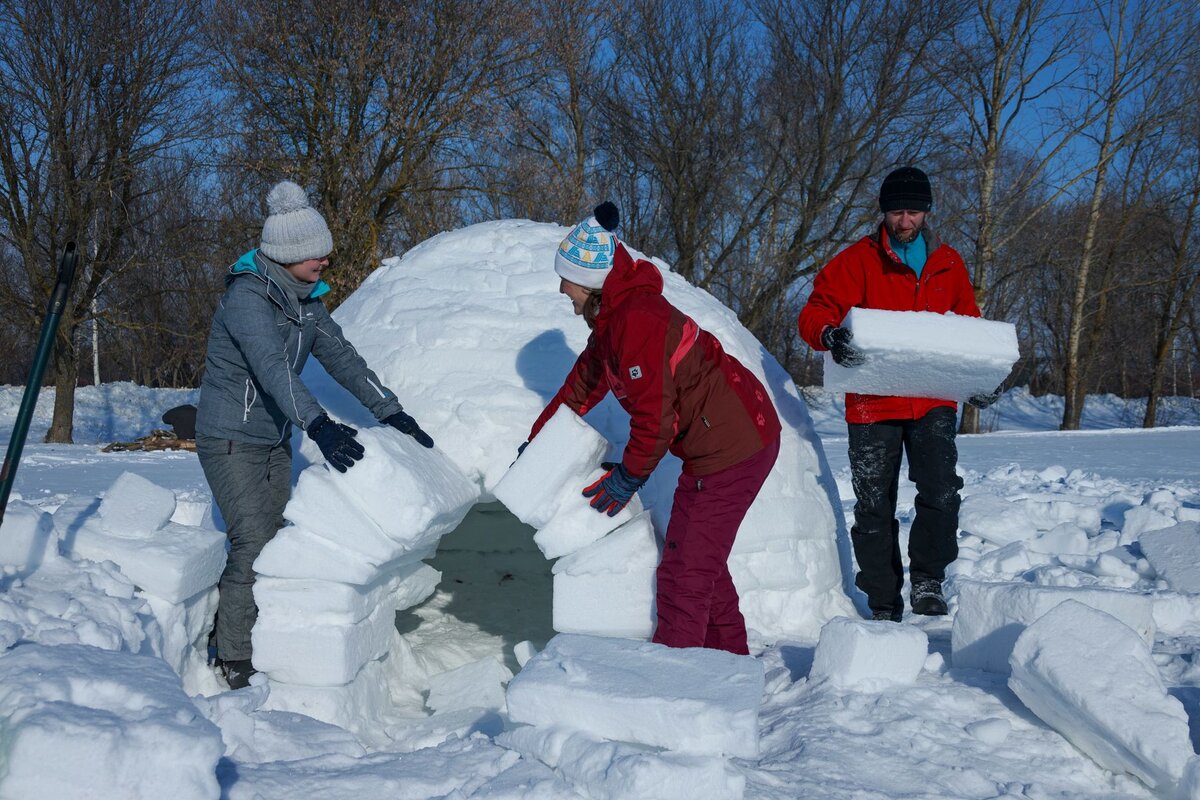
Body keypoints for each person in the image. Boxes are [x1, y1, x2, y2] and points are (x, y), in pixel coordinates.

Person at [196, 180, 434, 688]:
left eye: (325, 253)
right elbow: (273, 367)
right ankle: (232, 651)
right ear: (288, 255)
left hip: (273, 437)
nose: (325, 261)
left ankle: (265, 635)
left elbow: (344, 359)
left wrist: (391, 413)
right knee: (254, 540)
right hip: (230, 437)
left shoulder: (307, 302)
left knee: (275, 540)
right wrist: (320, 424)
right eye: (316, 255)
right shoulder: (247, 299)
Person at [524, 202, 781, 655]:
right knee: (699, 562)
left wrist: (628, 477)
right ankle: (729, 666)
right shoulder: (613, 319)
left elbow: (656, 418)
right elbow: (582, 386)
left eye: (566, 278)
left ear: (589, 279)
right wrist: (537, 444)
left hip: (733, 446)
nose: (562, 288)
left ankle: (673, 686)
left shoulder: (636, 320)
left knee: (686, 574)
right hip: (717, 444)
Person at [798, 166, 999, 622]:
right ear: (883, 212)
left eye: (912, 211)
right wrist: (830, 335)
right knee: (874, 502)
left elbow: (971, 329)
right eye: (895, 212)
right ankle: (884, 598)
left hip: (933, 401)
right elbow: (815, 311)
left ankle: (928, 579)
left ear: (926, 212)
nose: (904, 221)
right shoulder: (856, 261)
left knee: (942, 493)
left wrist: (981, 380)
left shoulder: (948, 263)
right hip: (872, 403)